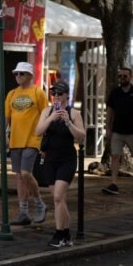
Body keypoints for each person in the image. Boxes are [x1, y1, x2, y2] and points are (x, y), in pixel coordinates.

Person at [35, 81, 85, 248]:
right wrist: (51, 118)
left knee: (57, 197)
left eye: (60, 93)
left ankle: (58, 234)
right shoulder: (47, 111)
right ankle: (66, 234)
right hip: (50, 159)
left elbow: (81, 137)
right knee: (59, 199)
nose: (56, 96)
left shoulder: (74, 113)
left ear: (67, 96)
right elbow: (38, 131)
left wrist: (68, 122)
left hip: (67, 159)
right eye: (54, 93)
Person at [6, 61, 48, 225]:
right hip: (16, 140)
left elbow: (46, 116)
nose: (18, 76)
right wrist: (2, 137)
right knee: (19, 177)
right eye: (16, 73)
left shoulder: (38, 93)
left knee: (25, 173)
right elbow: (7, 118)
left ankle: (39, 203)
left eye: (21, 73)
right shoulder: (12, 94)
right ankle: (23, 211)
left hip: (33, 139)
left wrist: (45, 141)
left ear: (30, 75)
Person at [102, 67, 133, 196]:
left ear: (130, 77)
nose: (122, 79)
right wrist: (108, 128)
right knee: (115, 156)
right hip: (117, 131)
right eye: (120, 76)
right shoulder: (115, 92)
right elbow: (110, 111)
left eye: (125, 76)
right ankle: (114, 183)